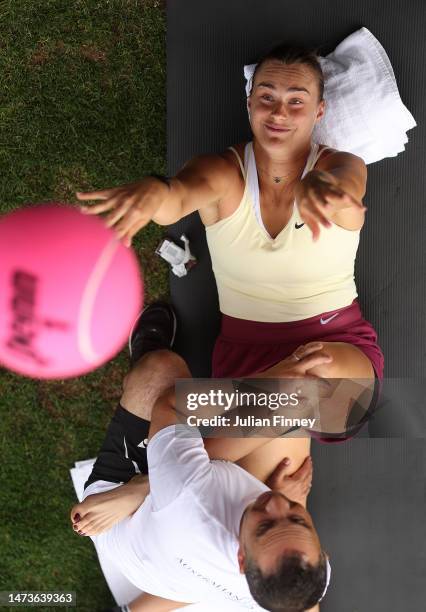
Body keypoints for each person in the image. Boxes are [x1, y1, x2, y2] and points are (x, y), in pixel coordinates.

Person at [76, 45, 384, 410]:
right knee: (196, 411)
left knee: (304, 380)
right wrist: (154, 191)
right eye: (266, 96)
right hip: (245, 356)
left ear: (320, 111)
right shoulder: (224, 171)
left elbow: (347, 182)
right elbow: (177, 197)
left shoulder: (342, 165)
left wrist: (323, 188)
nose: (279, 112)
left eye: (296, 101)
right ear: (250, 103)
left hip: (333, 342)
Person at [71, 303, 331, 612]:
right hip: (174, 569)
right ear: (321, 553)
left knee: (162, 371)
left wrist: (268, 385)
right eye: (296, 521)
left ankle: (144, 482)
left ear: (242, 559)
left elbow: (171, 406)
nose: (276, 503)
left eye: (265, 526)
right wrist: (294, 502)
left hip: (121, 517)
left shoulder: (190, 503)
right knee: (299, 400)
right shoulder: (301, 583)